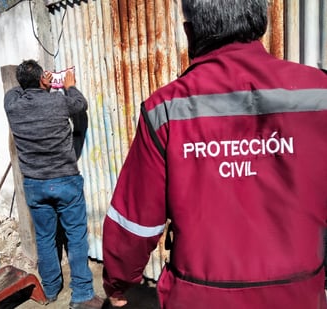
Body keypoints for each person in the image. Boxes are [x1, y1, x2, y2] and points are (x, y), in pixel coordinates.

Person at [102, 0, 327, 308]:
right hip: (299, 296)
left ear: (189, 32)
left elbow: (135, 222)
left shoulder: (165, 109)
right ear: (260, 21)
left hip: (198, 297)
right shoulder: (318, 95)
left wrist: (118, 283)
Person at [4, 59, 103, 309]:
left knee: (46, 238)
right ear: (42, 80)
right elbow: (80, 104)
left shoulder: (12, 106)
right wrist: (66, 85)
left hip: (35, 185)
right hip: (66, 181)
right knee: (76, 237)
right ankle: (81, 294)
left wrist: (37, 83)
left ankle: (50, 289)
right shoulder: (59, 101)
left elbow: (14, 91)